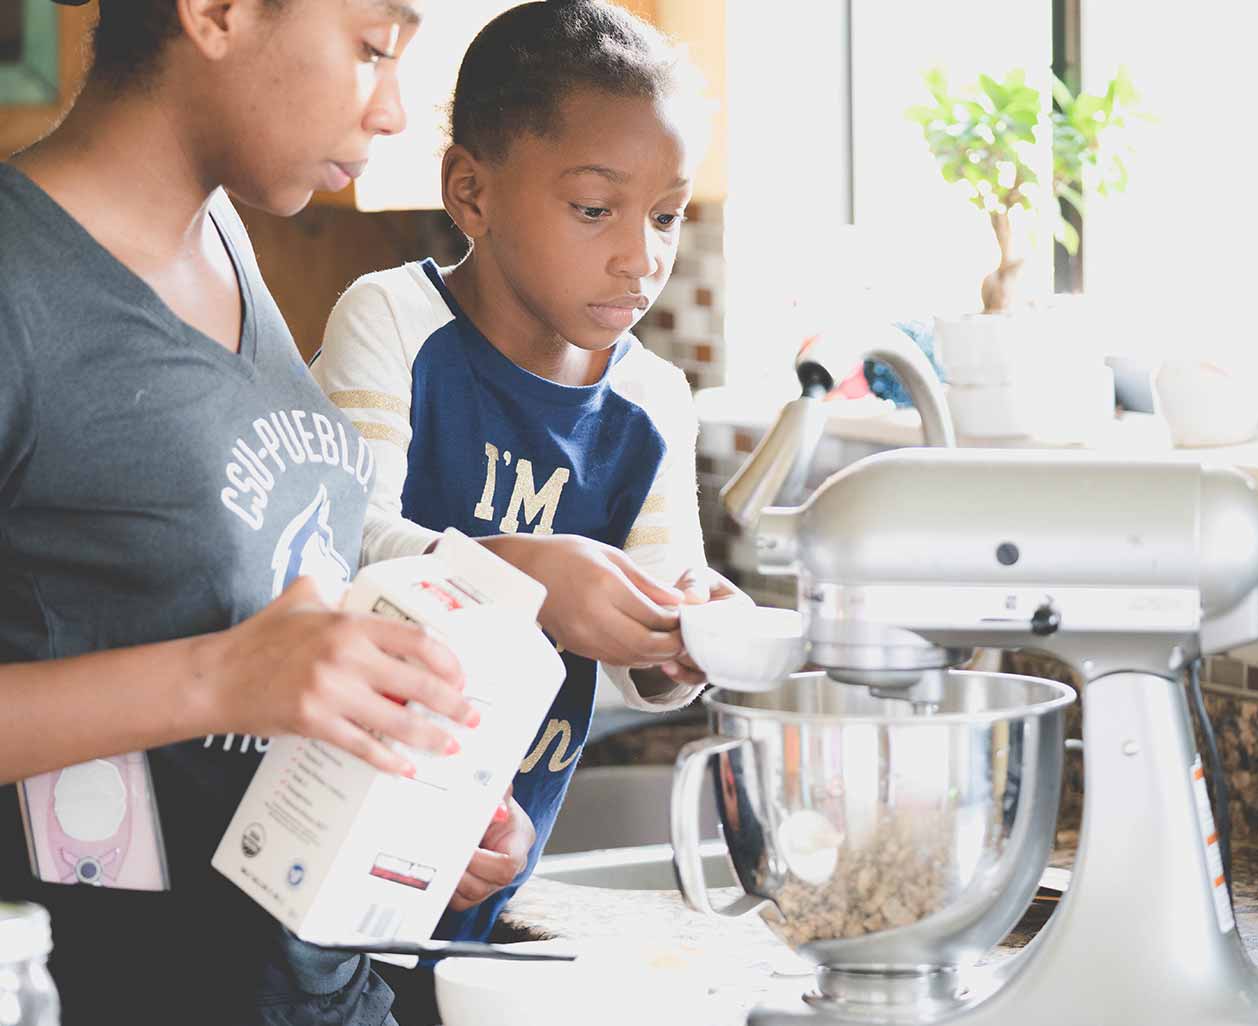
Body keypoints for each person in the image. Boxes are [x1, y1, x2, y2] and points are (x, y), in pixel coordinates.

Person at [0, 2, 538, 1023]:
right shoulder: (19, 284)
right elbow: (224, 669)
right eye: (374, 50)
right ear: (218, 13)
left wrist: (402, 799)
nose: (393, 112)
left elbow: (251, 623)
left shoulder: (221, 233)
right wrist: (215, 679)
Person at [308, 4, 741, 1017]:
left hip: (484, 882)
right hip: (322, 864)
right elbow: (334, 551)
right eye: (596, 209)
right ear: (471, 190)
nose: (641, 259)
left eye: (667, 215)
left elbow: (631, 683)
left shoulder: (653, 403)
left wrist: (678, 638)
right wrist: (530, 583)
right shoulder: (395, 322)